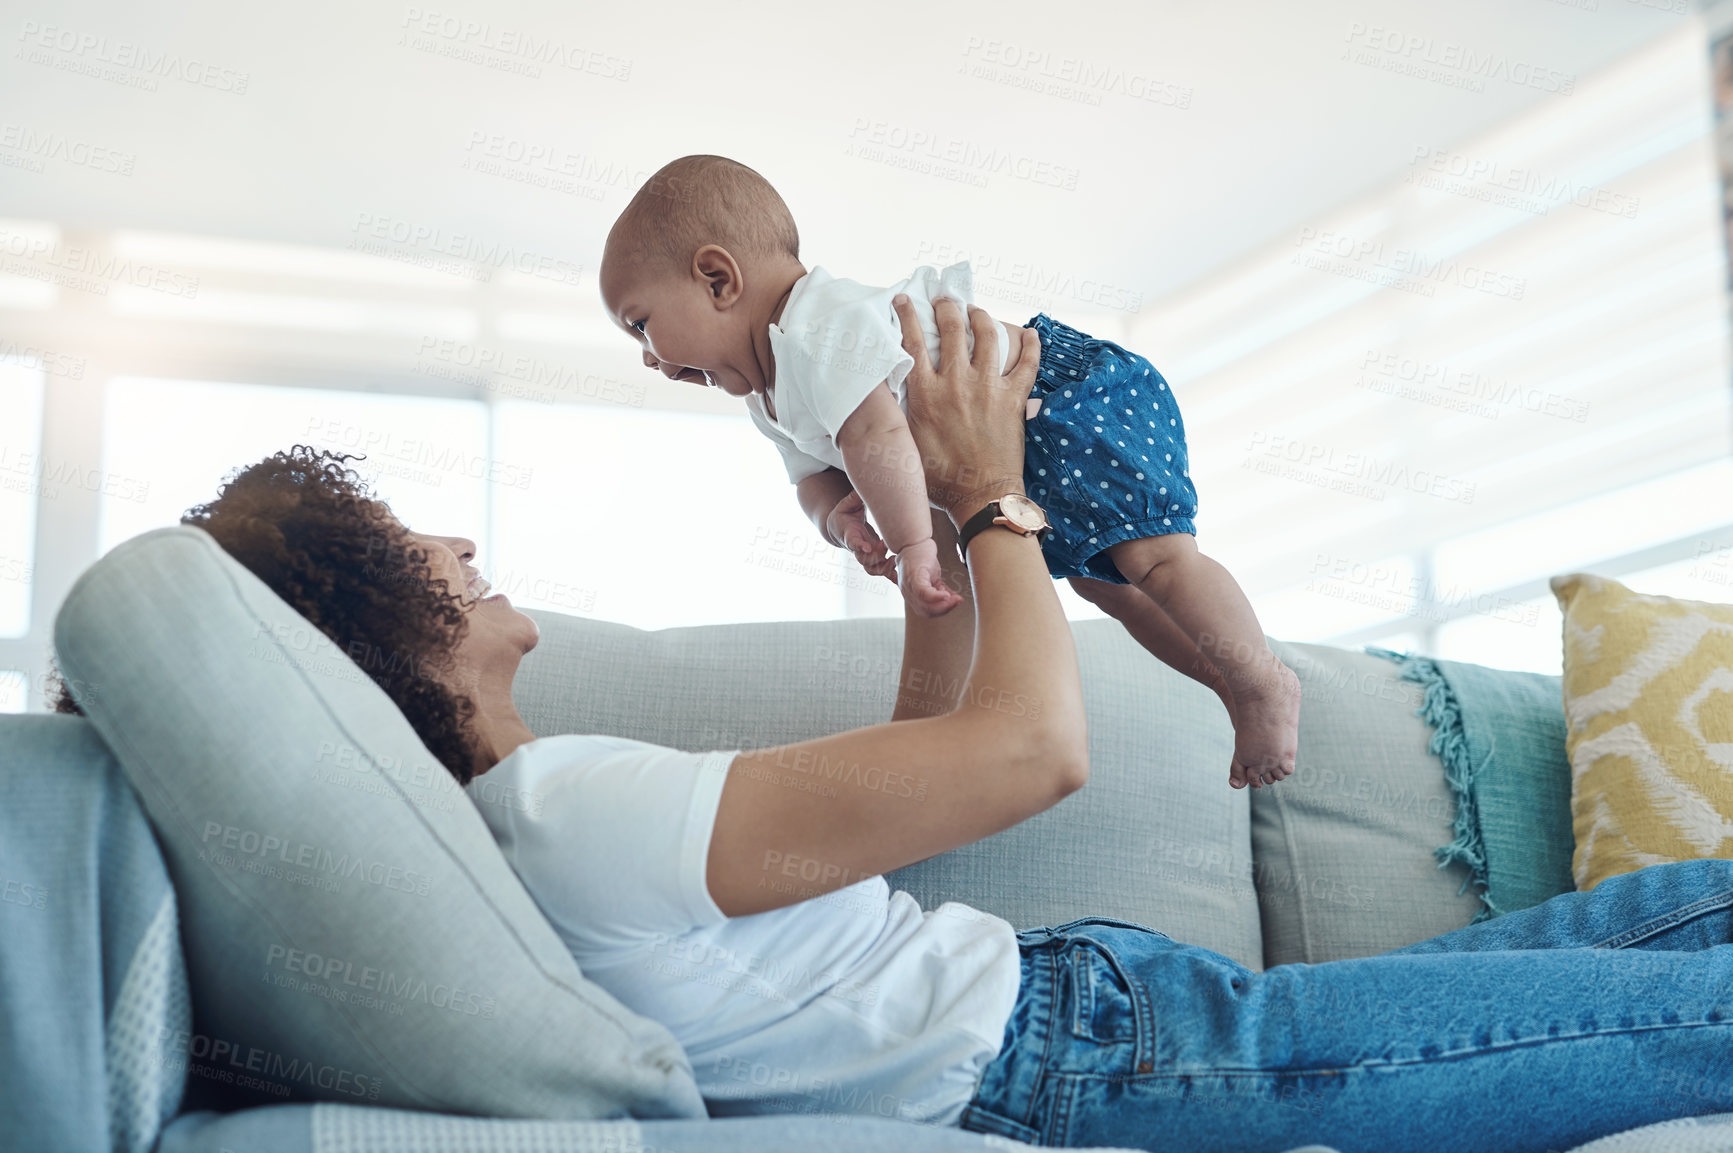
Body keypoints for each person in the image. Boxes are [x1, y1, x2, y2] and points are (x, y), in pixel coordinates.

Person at [68, 299, 1733, 1153]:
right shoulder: (563, 814)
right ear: (377, 625)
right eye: (411, 548)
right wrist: (994, 487)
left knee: (1634, 933)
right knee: (1672, 1022)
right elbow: (1036, 754)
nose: (454, 544)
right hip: (1093, 1056)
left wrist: (929, 565)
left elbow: (932, 777)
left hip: (1095, 1006)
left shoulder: (538, 827)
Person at [597, 153, 1299, 791]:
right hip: (1006, 458)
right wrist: (841, 521)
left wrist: (909, 546)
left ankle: (1260, 678)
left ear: (717, 279)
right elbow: (817, 478)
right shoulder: (767, 395)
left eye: (640, 324)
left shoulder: (818, 324)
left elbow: (876, 435)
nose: (649, 359)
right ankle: (1227, 679)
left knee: (1158, 561)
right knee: (1106, 584)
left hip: (1059, 401)